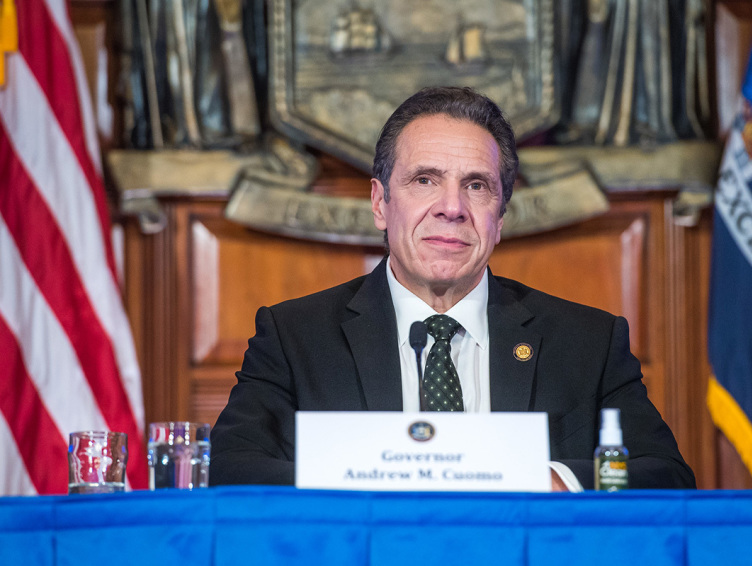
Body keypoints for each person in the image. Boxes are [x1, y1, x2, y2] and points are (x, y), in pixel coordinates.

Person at [210, 86, 695, 490]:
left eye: (477, 186)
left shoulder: (586, 341)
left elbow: (665, 476)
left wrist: (548, 479)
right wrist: (369, 476)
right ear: (380, 203)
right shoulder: (295, 336)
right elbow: (232, 469)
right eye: (425, 179)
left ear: (500, 216)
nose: (452, 207)